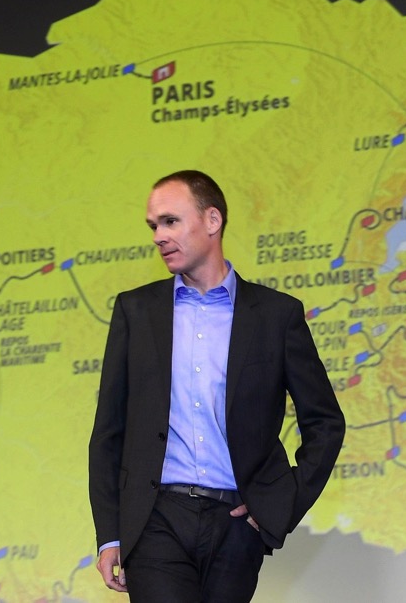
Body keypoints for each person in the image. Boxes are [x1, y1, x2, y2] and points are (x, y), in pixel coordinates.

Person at [89, 170, 345, 602]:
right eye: (153, 226)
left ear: (212, 220)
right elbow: (108, 432)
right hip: (155, 519)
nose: (158, 236)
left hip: (237, 522)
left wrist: (280, 503)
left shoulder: (276, 315)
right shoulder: (136, 311)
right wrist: (109, 534)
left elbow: (325, 422)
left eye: (170, 221)